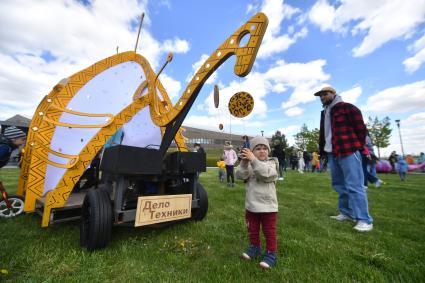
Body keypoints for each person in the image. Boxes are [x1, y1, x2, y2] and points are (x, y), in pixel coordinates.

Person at [315, 86, 373, 232]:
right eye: (320, 96)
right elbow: (324, 134)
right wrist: (323, 150)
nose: (322, 97)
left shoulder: (347, 107)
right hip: (332, 153)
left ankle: (364, 220)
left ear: (334, 93)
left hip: (348, 150)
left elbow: (361, 129)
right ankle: (346, 213)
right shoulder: (325, 112)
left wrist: (356, 145)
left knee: (355, 185)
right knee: (340, 185)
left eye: (325, 94)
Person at [235, 136, 279, 269]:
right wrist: (243, 162)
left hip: (268, 207)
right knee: (252, 229)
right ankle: (255, 247)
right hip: (251, 205)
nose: (262, 151)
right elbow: (240, 175)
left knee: (269, 230)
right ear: (251, 151)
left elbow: (266, 175)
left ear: (269, 151)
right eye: (258, 149)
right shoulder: (249, 164)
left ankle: (271, 253)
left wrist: (253, 160)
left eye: (265, 148)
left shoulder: (272, 164)